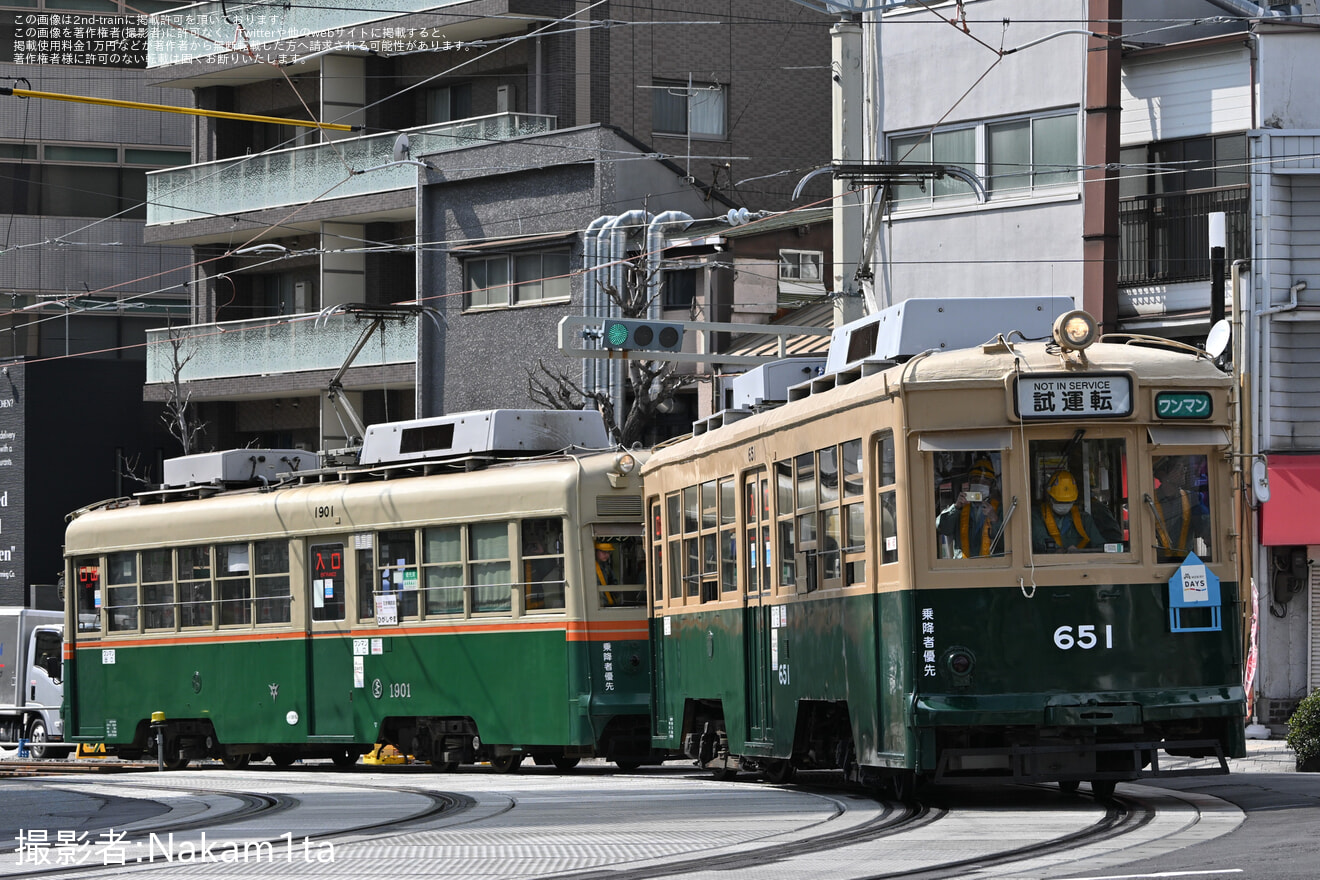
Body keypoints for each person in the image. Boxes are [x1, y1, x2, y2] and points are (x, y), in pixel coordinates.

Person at [935, 457, 1003, 558]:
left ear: (991, 485)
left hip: (992, 568)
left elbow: (1008, 542)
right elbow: (942, 528)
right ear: (970, 482)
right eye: (976, 479)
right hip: (963, 568)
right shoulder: (960, 507)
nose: (980, 484)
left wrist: (994, 519)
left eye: (985, 481)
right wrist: (956, 507)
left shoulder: (999, 509)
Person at [1152, 456, 1211, 561]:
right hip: (1155, 563)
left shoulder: (1192, 499)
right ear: (1163, 474)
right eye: (1178, 468)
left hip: (1185, 564)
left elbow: (1207, 530)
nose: (1184, 471)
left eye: (1184, 467)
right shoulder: (1150, 500)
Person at [1032, 471, 1105, 553]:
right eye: (1059, 502)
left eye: (1068, 502)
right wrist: (1063, 551)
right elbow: (1040, 541)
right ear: (1049, 498)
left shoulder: (1084, 519)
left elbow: (1100, 546)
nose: (1063, 505)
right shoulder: (1037, 516)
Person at [595, 541, 620, 606]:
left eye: (609, 552)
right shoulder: (590, 567)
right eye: (603, 552)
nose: (607, 555)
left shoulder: (606, 567)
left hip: (607, 604)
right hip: (597, 605)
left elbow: (614, 583)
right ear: (596, 551)